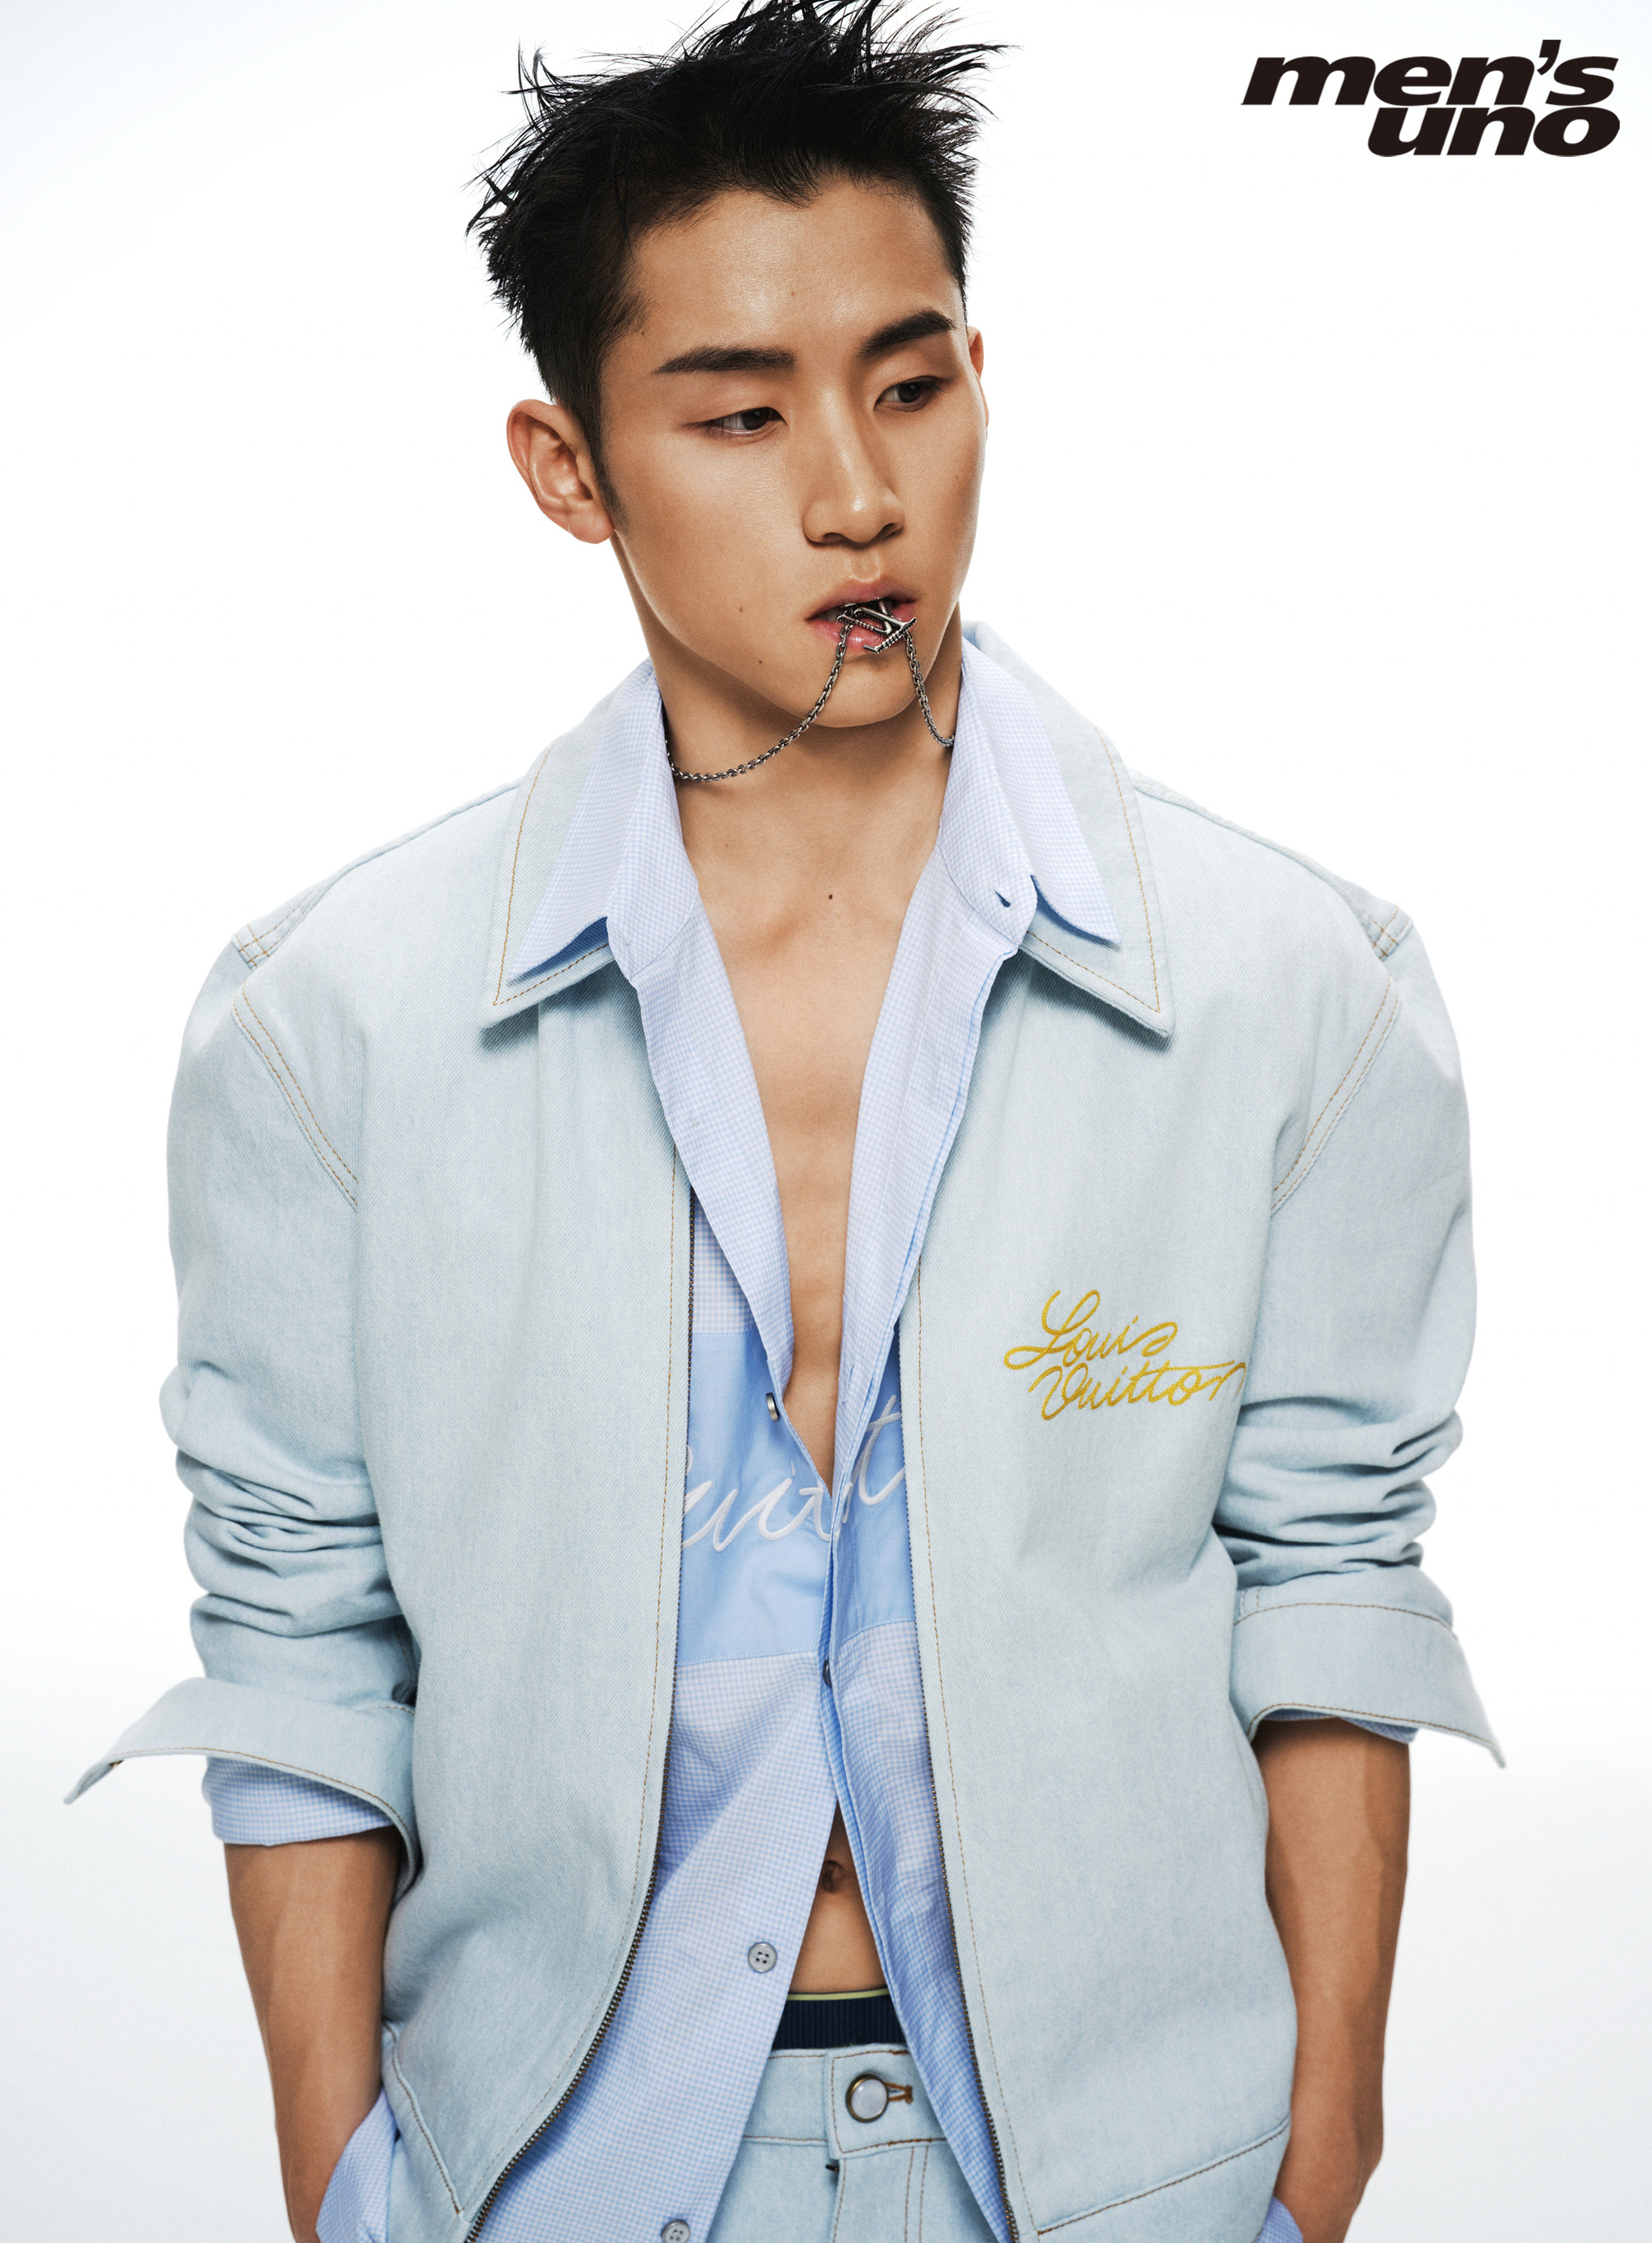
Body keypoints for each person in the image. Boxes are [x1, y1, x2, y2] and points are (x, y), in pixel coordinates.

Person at [69, 6, 1498, 2241]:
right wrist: (346, 2181)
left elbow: (1330, 1584)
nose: (856, 492)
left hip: (1122, 2172)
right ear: (570, 469)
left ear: (979, 378)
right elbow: (302, 1634)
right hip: (554, 2163)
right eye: (741, 414)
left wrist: (1315, 2162)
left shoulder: (1292, 984)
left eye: (910, 387)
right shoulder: (330, 1026)